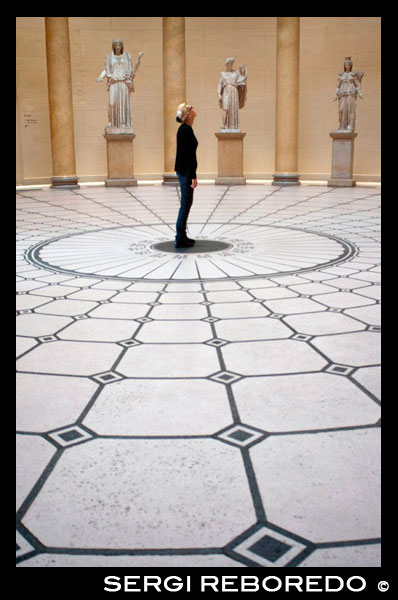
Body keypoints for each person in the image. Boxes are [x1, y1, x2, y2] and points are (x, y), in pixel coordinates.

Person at [97, 39, 143, 129]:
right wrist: (101, 77)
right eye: (116, 45)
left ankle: (123, 123)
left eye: (119, 45)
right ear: (113, 46)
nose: (118, 46)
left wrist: (138, 59)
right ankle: (112, 122)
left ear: (122, 46)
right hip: (114, 82)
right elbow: (107, 69)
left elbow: (132, 70)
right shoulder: (109, 57)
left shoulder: (127, 56)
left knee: (123, 104)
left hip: (123, 82)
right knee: (112, 103)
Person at [174, 103, 198, 248]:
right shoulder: (185, 130)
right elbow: (189, 155)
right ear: (188, 114)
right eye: (192, 108)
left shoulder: (185, 129)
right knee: (185, 203)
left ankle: (182, 235)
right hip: (186, 171)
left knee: (186, 203)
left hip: (184, 170)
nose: (195, 111)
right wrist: (193, 176)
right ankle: (180, 237)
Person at [333, 57, 364, 132]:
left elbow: (356, 85)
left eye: (348, 65)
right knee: (342, 110)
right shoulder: (341, 75)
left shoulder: (353, 75)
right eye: (346, 64)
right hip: (342, 95)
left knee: (350, 110)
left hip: (351, 94)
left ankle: (350, 126)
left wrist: (359, 93)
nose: (347, 66)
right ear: (344, 66)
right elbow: (338, 86)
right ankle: (342, 126)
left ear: (350, 66)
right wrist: (335, 95)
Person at [218, 57, 248, 131]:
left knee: (233, 108)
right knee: (225, 107)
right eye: (230, 64)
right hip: (226, 90)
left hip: (234, 91)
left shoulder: (236, 73)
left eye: (232, 64)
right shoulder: (223, 73)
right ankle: (223, 124)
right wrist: (219, 94)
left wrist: (243, 69)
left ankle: (233, 126)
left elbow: (243, 76)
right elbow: (220, 84)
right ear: (227, 65)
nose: (231, 65)